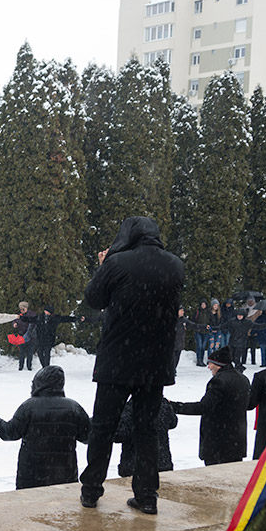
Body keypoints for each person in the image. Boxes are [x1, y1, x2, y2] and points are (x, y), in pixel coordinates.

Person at [79, 215, 186, 515]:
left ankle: (91, 490)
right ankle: (147, 495)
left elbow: (94, 299)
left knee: (103, 427)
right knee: (147, 430)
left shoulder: (117, 263)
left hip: (117, 361)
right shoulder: (175, 265)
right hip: (155, 365)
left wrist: (106, 264)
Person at [0, 365, 92, 490]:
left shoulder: (28, 407)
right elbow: (87, 436)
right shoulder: (74, 408)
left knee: (30, 507)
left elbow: (10, 432)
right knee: (62, 507)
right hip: (64, 475)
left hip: (31, 474)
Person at [172, 346, 251, 467]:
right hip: (237, 441)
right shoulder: (243, 379)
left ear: (218, 364)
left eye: (210, 363)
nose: (208, 367)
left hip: (218, 443)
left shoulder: (218, 381)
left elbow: (203, 407)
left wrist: (174, 406)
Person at [115, 398, 178, 478]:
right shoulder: (163, 404)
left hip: (135, 466)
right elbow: (173, 422)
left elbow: (119, 435)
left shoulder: (130, 408)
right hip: (162, 463)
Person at [11, 302, 38, 371]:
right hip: (21, 336)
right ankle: (21, 366)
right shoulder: (19, 315)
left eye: (23, 309)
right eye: (20, 309)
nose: (21, 310)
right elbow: (14, 320)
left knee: (30, 352)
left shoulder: (32, 314)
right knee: (21, 352)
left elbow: (35, 323)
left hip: (30, 336)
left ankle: (29, 366)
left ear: (26, 308)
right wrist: (14, 324)